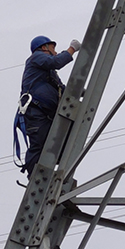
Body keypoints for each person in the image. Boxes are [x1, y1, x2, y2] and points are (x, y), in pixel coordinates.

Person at [17, 35, 81, 178]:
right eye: (53, 48)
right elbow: (57, 61)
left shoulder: (48, 72)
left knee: (60, 141)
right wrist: (71, 49)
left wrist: (79, 92)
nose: (56, 52)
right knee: (39, 144)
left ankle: (51, 171)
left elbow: (62, 89)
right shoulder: (36, 58)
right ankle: (35, 177)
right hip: (36, 112)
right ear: (43, 48)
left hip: (46, 114)